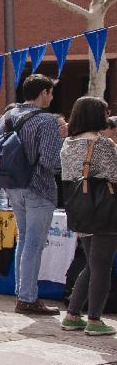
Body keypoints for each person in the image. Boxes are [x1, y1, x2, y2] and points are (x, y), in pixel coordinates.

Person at [0, 74, 63, 315]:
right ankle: (27, 298)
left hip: (12, 186)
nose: (52, 97)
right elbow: (50, 161)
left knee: (24, 241)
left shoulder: (7, 117)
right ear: (43, 93)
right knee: (33, 244)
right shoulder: (46, 120)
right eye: (51, 92)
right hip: (39, 187)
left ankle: (22, 293)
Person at [60, 96, 117, 336]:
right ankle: (94, 320)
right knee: (101, 266)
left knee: (92, 264)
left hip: (80, 209)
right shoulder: (104, 145)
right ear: (96, 116)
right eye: (105, 113)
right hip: (105, 210)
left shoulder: (68, 144)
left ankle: (73, 314)